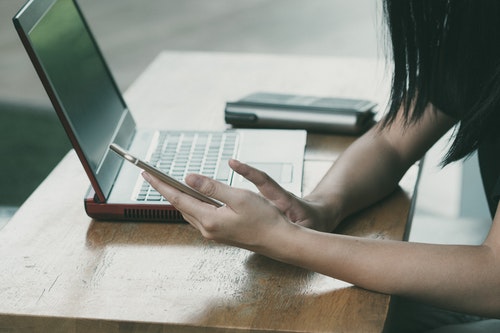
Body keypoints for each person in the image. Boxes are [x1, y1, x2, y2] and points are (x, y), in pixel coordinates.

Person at [142, 0, 500, 332]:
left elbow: (492, 278)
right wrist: (323, 205)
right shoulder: (482, 25)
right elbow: (392, 141)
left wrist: (283, 239)